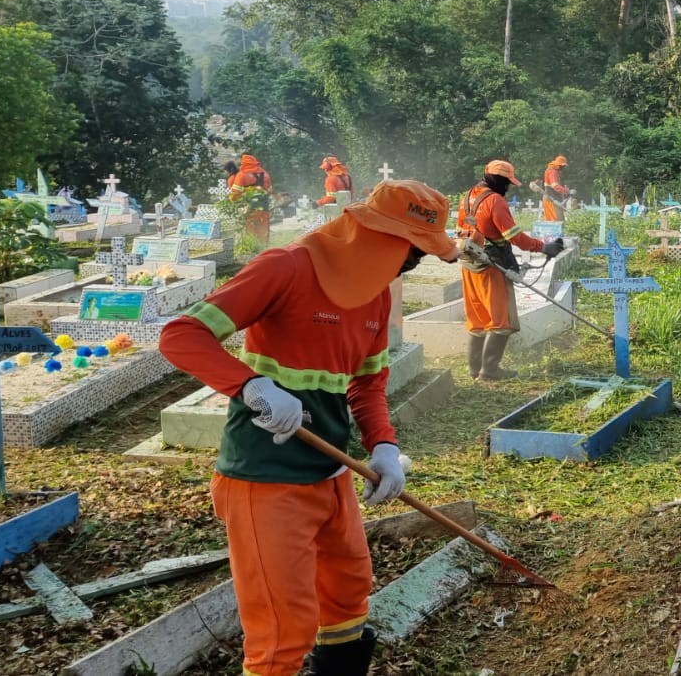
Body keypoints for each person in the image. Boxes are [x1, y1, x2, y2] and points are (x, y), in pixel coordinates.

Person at [159, 180, 458, 676]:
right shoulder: (286, 267)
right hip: (265, 478)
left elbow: (367, 385)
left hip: (330, 472)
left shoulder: (377, 298)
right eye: (413, 250)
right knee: (282, 628)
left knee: (347, 595)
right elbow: (180, 336)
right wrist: (251, 386)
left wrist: (383, 446)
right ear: (375, 236)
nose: (415, 264)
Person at [458, 161, 564, 380]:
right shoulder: (495, 201)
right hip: (491, 266)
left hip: (469, 263)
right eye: (506, 182)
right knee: (500, 320)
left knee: (479, 318)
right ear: (496, 179)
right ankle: (489, 371)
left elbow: (463, 231)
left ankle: (474, 369)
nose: (507, 188)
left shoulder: (467, 196)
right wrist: (544, 247)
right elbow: (515, 237)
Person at [228, 153, 274, 244]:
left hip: (249, 207)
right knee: (263, 229)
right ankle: (263, 250)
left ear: (244, 163)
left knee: (251, 230)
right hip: (264, 207)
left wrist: (231, 200)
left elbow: (235, 194)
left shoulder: (242, 174)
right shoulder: (265, 174)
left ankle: (253, 250)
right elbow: (270, 191)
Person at [541, 155, 570, 223]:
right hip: (551, 199)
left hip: (552, 198)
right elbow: (555, 186)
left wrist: (564, 189)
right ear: (559, 165)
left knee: (554, 221)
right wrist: (566, 191)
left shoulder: (552, 170)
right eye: (563, 166)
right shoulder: (553, 172)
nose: (563, 168)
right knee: (554, 221)